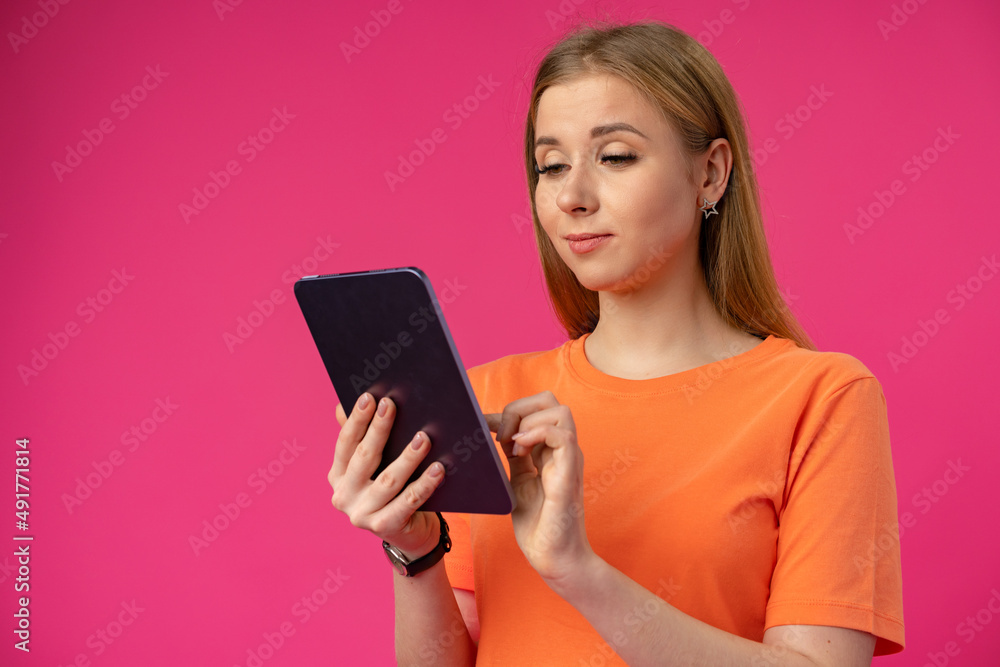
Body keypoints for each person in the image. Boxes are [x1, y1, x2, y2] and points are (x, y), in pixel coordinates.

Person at [329, 19, 904, 665]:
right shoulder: (491, 399)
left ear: (710, 173)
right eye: (550, 165)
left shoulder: (821, 397)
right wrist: (415, 549)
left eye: (615, 156)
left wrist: (578, 570)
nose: (572, 196)